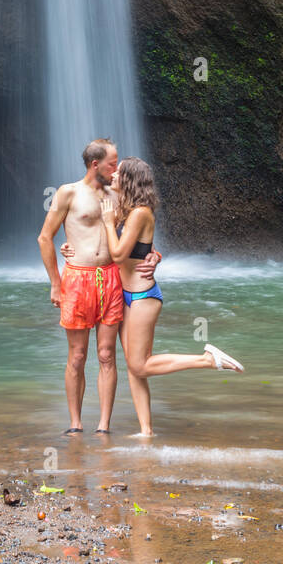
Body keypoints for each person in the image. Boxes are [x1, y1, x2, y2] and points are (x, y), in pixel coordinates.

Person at [98, 156, 244, 437]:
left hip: (142, 295)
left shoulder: (140, 212)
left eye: (119, 173)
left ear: (129, 180)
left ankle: (207, 359)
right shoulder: (124, 210)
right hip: (125, 293)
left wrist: (107, 222)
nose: (113, 175)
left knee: (140, 363)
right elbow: (139, 249)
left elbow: (118, 254)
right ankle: (146, 431)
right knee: (134, 367)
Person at [37, 138, 161, 434]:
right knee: (77, 356)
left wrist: (155, 255)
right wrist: (55, 282)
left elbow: (142, 234)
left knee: (107, 354)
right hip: (77, 279)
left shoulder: (119, 195)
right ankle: (75, 423)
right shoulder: (68, 193)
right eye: (112, 163)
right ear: (96, 165)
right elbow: (45, 238)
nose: (117, 169)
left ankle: (104, 426)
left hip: (112, 278)